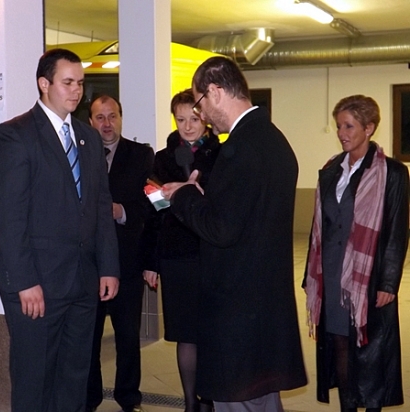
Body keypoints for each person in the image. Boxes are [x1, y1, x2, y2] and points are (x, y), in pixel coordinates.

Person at [161, 56, 307, 411]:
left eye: (200, 104)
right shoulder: (273, 140)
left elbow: (221, 229)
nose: (203, 115)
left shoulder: (239, 148)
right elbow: (244, 215)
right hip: (264, 304)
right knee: (263, 402)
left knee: (239, 400)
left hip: (237, 310)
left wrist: (183, 196)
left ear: (215, 92)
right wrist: (203, 199)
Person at [0, 49, 120, 412]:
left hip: (82, 282)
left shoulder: (87, 137)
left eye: (80, 83)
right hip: (37, 285)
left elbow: (100, 206)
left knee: (74, 380)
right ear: (44, 84)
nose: (76, 90)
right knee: (35, 381)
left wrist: (108, 266)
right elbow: (9, 217)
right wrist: (24, 281)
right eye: (68, 82)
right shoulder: (16, 135)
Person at [304, 95, 408, 412]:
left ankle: (372, 407)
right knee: (339, 343)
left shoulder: (392, 173)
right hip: (333, 273)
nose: (341, 133)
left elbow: (396, 231)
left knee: (370, 349)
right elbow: (319, 226)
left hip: (369, 275)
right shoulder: (330, 170)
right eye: (339, 126)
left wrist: (388, 283)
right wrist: (311, 276)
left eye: (349, 126)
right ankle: (347, 406)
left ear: (369, 128)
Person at [141, 89, 220, 412]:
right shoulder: (161, 159)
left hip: (213, 252)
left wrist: (192, 191)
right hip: (176, 254)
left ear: (206, 119)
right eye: (180, 119)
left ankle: (211, 400)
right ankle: (190, 402)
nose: (187, 126)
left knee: (213, 331)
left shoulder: (222, 155)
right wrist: (151, 262)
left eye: (194, 119)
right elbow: (154, 212)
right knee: (186, 332)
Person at [85, 95, 154, 412]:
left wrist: (122, 211)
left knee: (128, 337)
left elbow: (155, 204)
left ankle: (129, 398)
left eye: (112, 116)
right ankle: (90, 398)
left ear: (121, 118)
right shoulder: (79, 154)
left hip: (127, 261)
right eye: (100, 117)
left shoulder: (142, 156)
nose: (107, 124)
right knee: (89, 338)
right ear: (90, 122)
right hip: (88, 264)